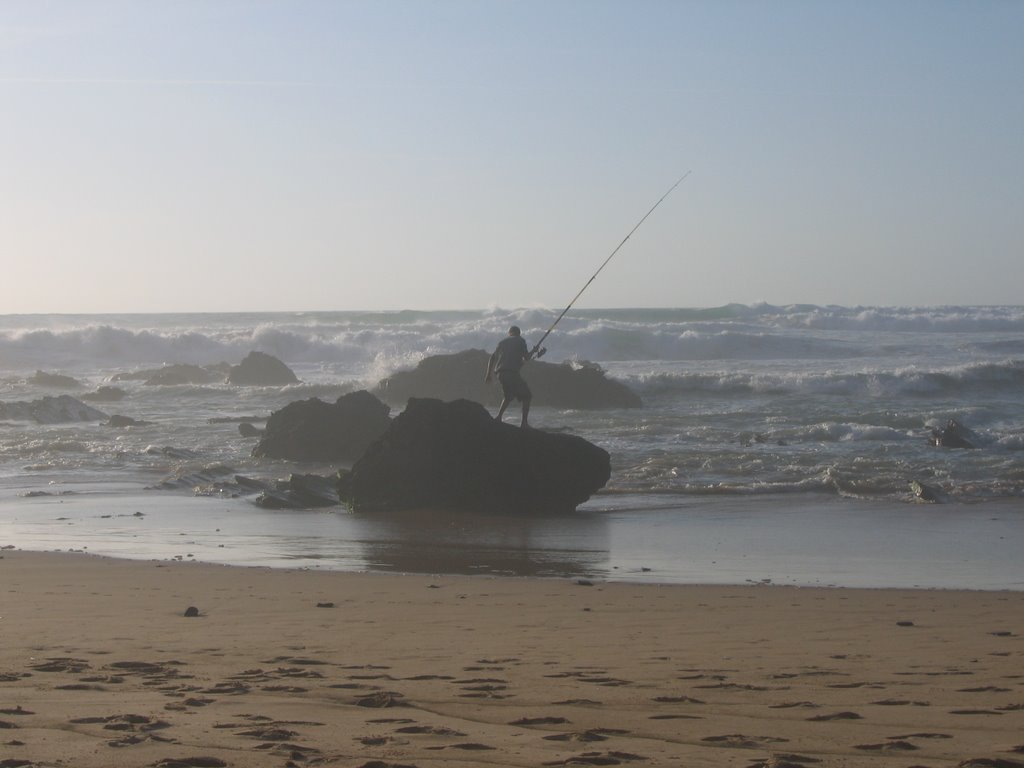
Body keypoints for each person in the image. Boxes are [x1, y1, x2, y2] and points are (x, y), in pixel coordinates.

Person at [485, 325, 534, 427]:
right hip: (511, 373)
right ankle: (524, 423)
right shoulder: (521, 341)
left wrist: (488, 374)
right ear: (519, 333)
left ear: (509, 333)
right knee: (527, 396)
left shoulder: (502, 342)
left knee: (508, 396)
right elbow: (526, 357)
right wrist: (534, 351)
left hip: (500, 374)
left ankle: (498, 417)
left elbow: (492, 358)